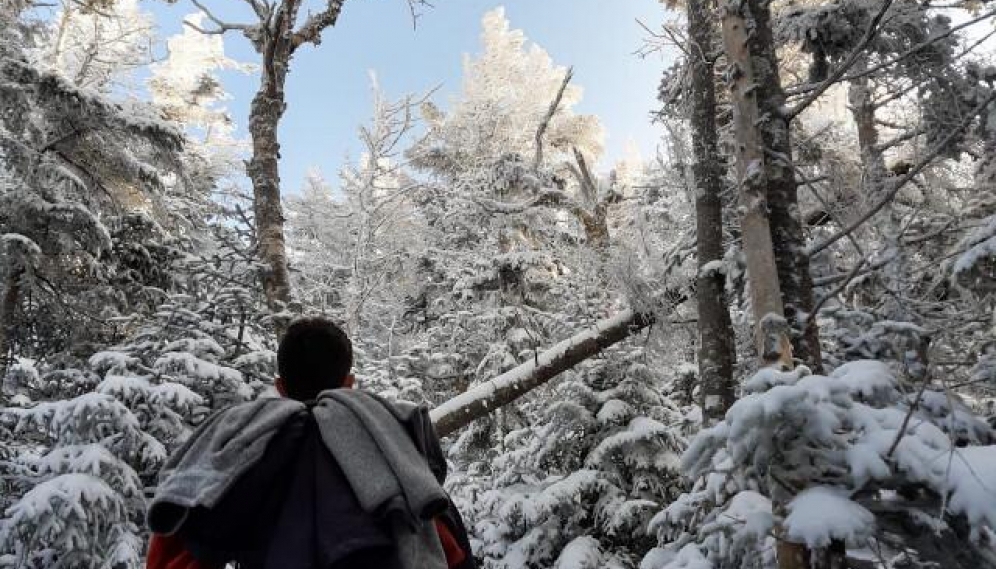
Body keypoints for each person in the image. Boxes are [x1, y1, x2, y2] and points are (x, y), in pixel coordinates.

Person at [146, 317, 474, 569]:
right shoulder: (390, 453)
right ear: (348, 384)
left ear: (280, 387)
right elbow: (446, 551)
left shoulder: (243, 451)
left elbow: (172, 555)